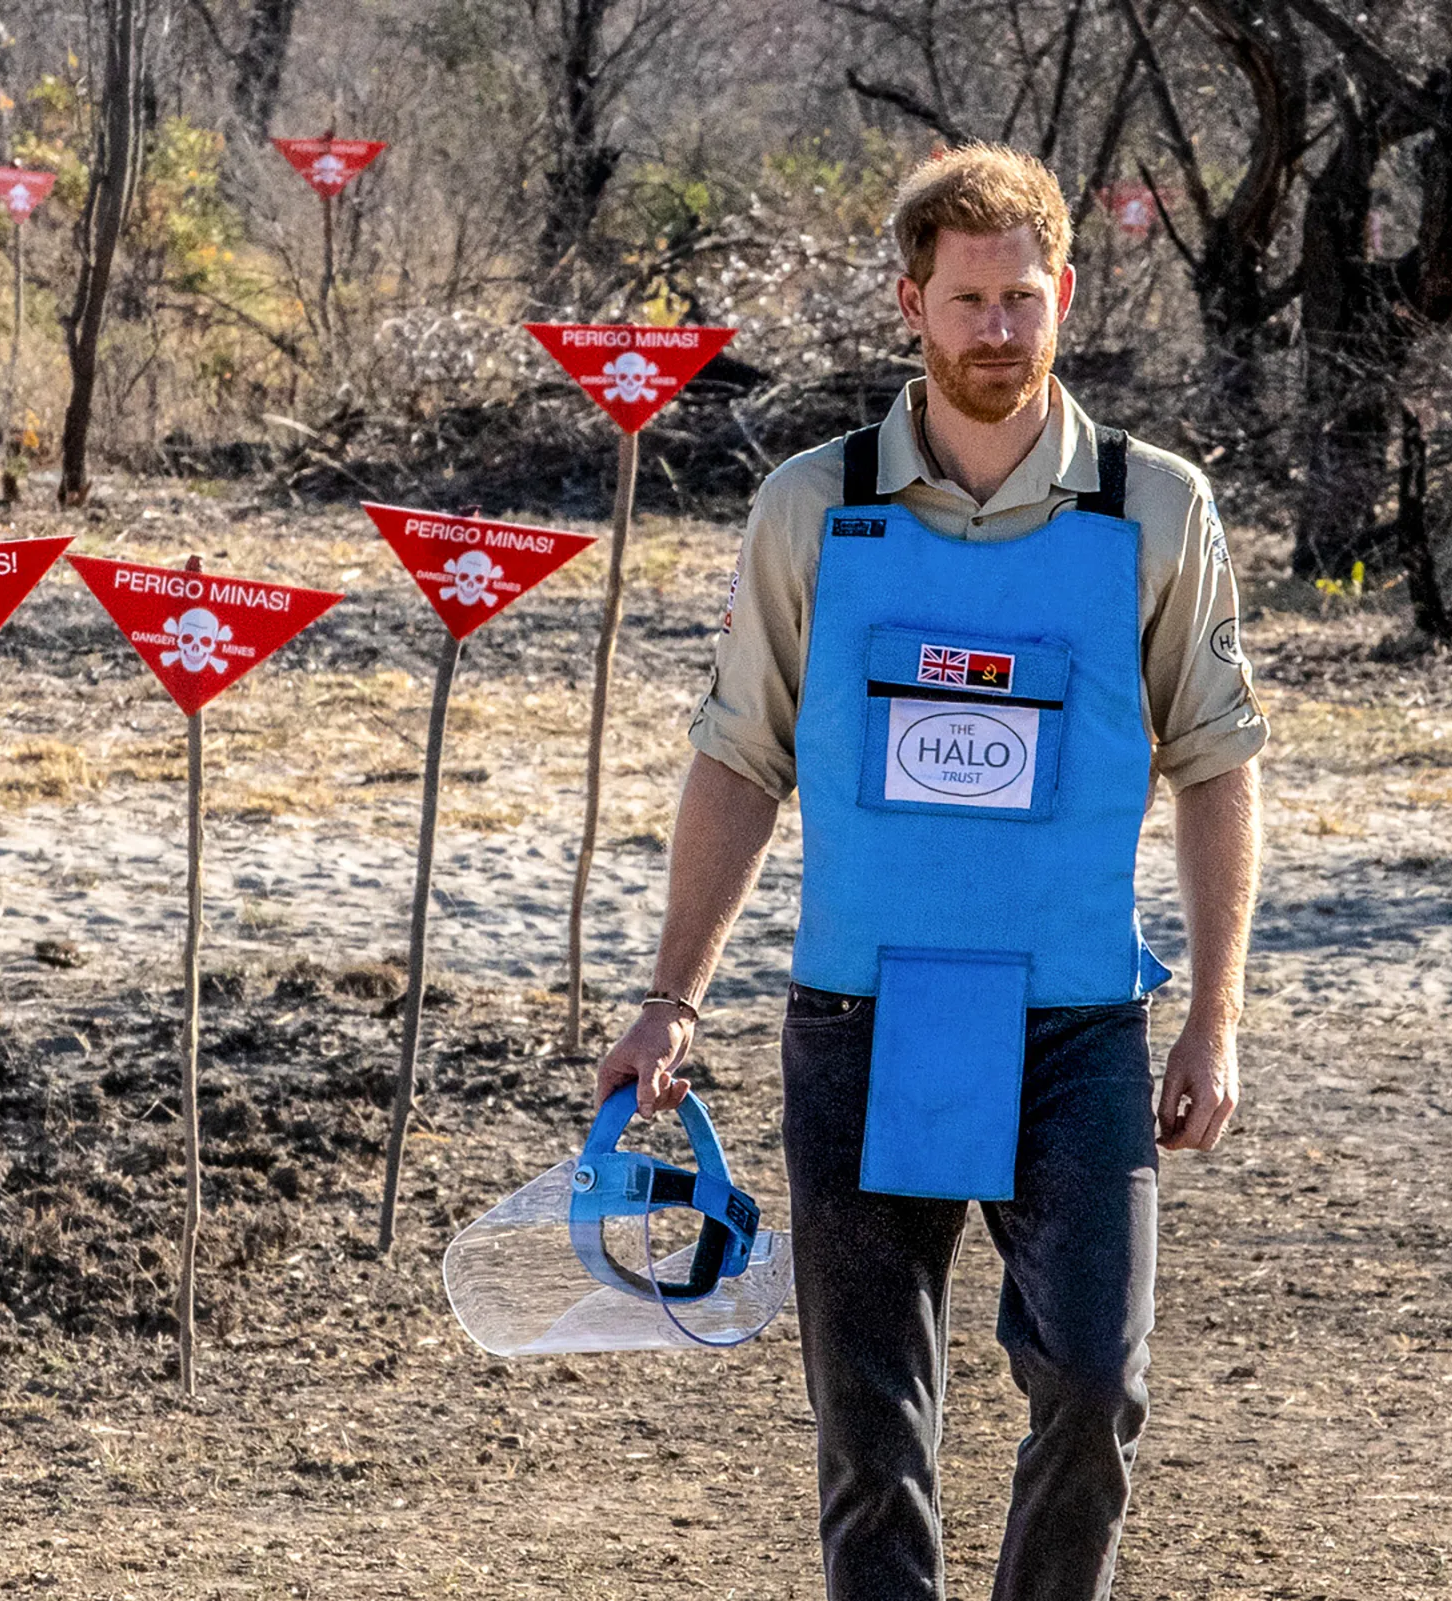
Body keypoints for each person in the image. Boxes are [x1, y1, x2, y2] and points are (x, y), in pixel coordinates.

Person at [594, 144, 1267, 1601]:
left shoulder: (1154, 509)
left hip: (1079, 1025)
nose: (997, 332)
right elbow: (736, 760)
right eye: (968, 301)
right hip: (858, 1019)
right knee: (872, 1436)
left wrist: (1214, 1020)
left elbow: (1218, 762)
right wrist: (672, 999)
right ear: (913, 303)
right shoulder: (809, 508)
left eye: (1023, 299)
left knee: (1095, 1381)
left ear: (1065, 296)